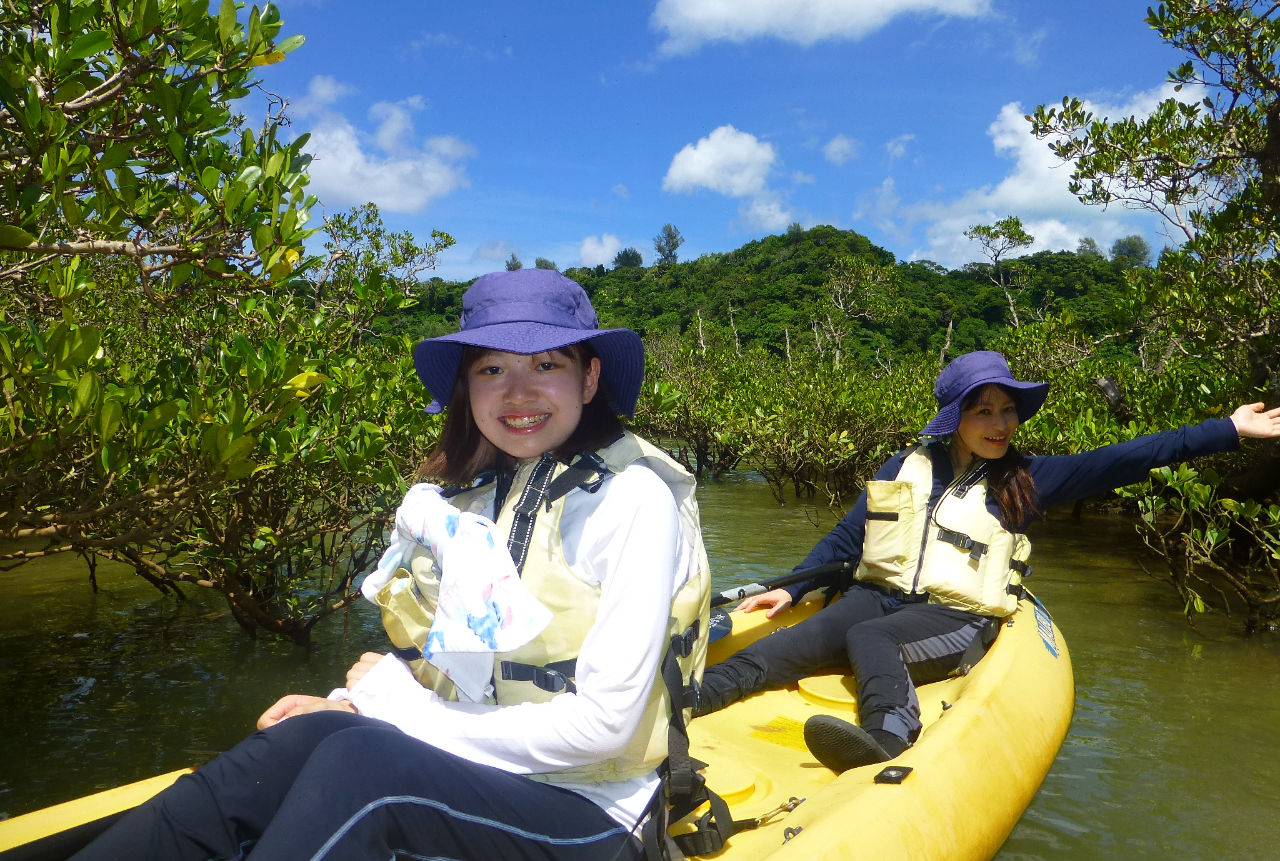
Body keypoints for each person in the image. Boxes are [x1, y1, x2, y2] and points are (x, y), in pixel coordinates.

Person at [70, 269, 711, 861]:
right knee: (301, 740)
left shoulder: (633, 500)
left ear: (589, 379)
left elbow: (603, 729)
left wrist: (399, 712)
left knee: (362, 768)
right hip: (481, 769)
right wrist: (351, 704)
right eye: (492, 369)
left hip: (596, 808)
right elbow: (456, 669)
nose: (518, 392)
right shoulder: (476, 500)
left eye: (547, 364)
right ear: (467, 387)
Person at [694, 350, 1280, 774]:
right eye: (984, 411)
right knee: (773, 652)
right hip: (878, 596)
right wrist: (791, 590)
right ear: (956, 417)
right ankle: (683, 704)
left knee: (872, 639)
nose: (1000, 424)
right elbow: (849, 538)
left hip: (956, 615)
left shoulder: (1029, 479)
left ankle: (887, 740)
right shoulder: (904, 466)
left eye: (1007, 411)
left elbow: (1128, 457)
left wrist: (1228, 429)